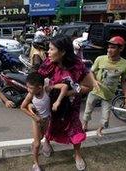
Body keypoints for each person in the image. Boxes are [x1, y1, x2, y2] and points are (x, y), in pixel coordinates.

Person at [37, 35, 95, 171]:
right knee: (51, 124)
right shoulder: (49, 63)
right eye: (48, 49)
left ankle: (77, 155)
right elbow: (38, 79)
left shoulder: (77, 65)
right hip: (52, 103)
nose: (48, 53)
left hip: (71, 106)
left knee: (75, 129)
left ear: (62, 52)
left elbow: (89, 87)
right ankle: (47, 141)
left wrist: (69, 93)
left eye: (51, 50)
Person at [82, 36, 126, 136]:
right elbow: (91, 72)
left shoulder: (125, 65)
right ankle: (84, 125)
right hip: (95, 91)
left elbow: (124, 82)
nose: (109, 50)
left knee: (106, 115)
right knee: (88, 110)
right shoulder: (100, 59)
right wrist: (94, 81)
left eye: (113, 48)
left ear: (120, 49)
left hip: (108, 94)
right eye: (108, 47)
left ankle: (100, 129)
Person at [21, 72, 68, 171]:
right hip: (36, 121)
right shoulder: (30, 95)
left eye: (30, 87)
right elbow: (22, 107)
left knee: (43, 137)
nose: (28, 89)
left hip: (47, 119)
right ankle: (36, 164)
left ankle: (34, 145)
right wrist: (34, 117)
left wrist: (58, 101)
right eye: (27, 87)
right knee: (38, 144)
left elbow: (64, 86)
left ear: (39, 87)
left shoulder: (46, 90)